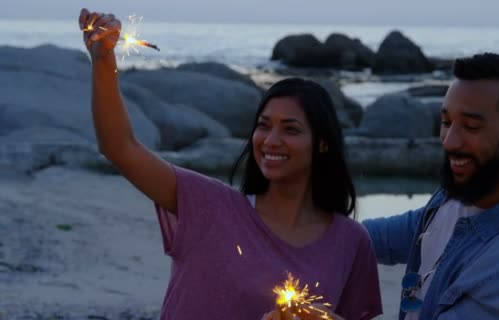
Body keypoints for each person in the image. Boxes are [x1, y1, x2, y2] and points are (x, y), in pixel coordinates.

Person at [78, 8, 382, 320]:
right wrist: (103, 60)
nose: (270, 140)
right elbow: (119, 147)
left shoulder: (350, 241)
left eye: (290, 129)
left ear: (322, 144)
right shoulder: (209, 205)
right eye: (263, 125)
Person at [362, 53, 499, 319]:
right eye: (446, 122)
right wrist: (331, 236)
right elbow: (417, 229)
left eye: (470, 127)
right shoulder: (472, 184)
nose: (449, 141)